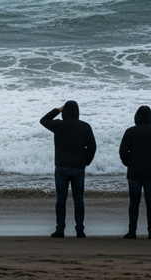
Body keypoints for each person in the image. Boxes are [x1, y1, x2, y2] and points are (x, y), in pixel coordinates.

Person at [40, 100, 97, 238]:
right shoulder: (85, 127)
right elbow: (92, 147)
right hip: (78, 168)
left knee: (61, 199)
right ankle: (80, 230)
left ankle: (60, 229)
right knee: (78, 199)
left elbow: (43, 120)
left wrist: (58, 110)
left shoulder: (59, 125)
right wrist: (86, 162)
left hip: (61, 167)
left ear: (65, 112)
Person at [119, 105, 151, 240]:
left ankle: (132, 231)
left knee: (134, 202)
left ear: (136, 117)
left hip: (134, 171)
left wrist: (128, 163)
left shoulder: (130, 132)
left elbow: (123, 152)